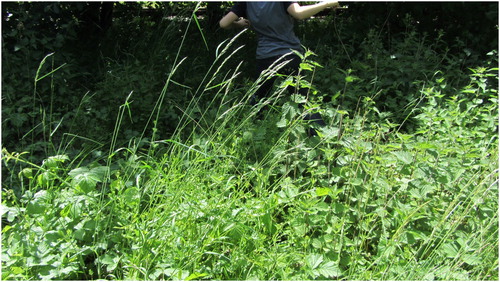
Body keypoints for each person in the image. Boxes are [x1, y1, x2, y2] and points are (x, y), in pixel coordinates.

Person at [219, 1, 340, 135]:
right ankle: (323, 138)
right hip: (290, 56)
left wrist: (238, 24)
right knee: (302, 102)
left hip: (265, 58)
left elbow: (223, 23)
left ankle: (253, 137)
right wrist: (327, 3)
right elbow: (298, 13)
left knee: (258, 101)